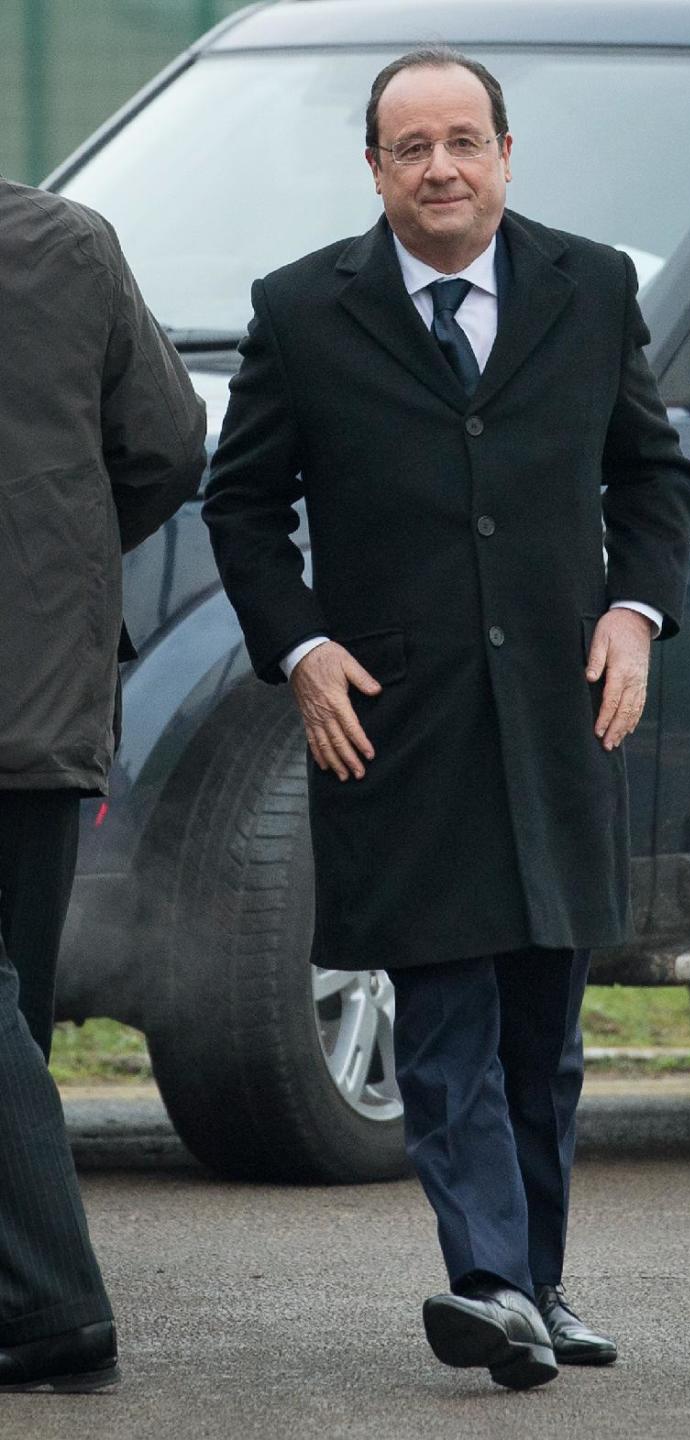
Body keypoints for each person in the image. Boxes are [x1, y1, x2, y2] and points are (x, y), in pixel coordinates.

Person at [203, 49, 690, 1390]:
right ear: (374, 167)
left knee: (547, 1016)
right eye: (411, 146)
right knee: (445, 1008)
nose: (441, 167)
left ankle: (537, 1281)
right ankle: (484, 1279)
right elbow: (241, 508)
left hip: (560, 706)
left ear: (505, 152)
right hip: (393, 719)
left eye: (463, 140)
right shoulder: (306, 310)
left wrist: (634, 615)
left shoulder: (589, 288)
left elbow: (653, 478)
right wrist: (300, 647)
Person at [0, 177, 206, 1392]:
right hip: (44, 690)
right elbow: (168, 447)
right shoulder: (67, 241)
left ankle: (53, 1307)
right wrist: (60, 568)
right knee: (14, 1018)